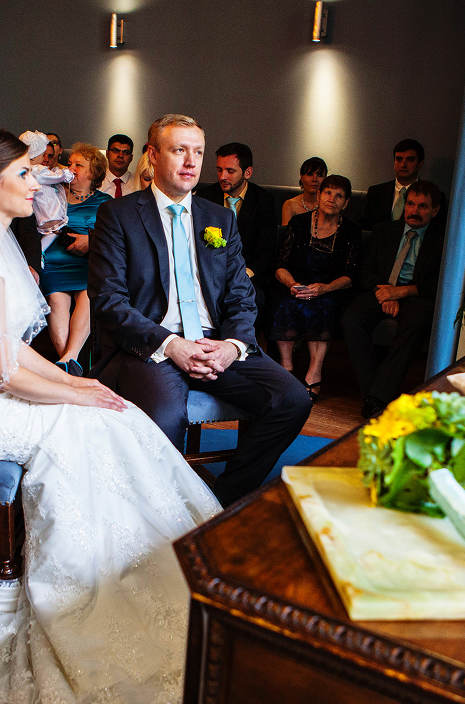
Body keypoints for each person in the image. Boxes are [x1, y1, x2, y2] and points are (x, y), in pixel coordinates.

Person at [0, 124, 221, 704]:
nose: (38, 184)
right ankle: (83, 587)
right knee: (95, 424)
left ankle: (155, 563)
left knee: (114, 413)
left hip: (4, 386)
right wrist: (74, 398)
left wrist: (77, 381)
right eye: (25, 174)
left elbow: (19, 353)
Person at [89, 114, 311, 506]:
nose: (192, 162)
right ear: (153, 156)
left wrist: (234, 346)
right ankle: (163, 513)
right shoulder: (117, 215)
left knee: (292, 399)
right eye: (179, 151)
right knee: (165, 419)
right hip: (152, 347)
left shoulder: (219, 218)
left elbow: (242, 295)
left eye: (198, 152)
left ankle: (221, 500)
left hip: (215, 342)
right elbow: (109, 301)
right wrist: (172, 346)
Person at [342, 180, 445, 418]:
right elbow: (364, 272)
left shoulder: (442, 239)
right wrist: (387, 291)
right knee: (351, 319)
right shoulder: (383, 231)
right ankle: (375, 395)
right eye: (410, 204)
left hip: (415, 295)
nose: (414, 211)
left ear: (435, 210)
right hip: (381, 289)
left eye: (422, 207)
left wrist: (401, 292)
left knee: (416, 323)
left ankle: (376, 398)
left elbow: (440, 282)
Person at [271, 174, 360, 402]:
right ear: (319, 195)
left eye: (339, 196)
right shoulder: (298, 223)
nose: (332, 199)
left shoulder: (351, 231)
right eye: (328, 192)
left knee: (324, 308)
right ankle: (286, 369)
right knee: (284, 303)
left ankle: (314, 371)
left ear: (346, 202)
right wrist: (292, 284)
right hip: (297, 285)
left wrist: (325, 288)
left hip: (329, 290)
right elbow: (280, 265)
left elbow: (350, 276)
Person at [195, 142, 278, 346]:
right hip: (210, 272)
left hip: (250, 272)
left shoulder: (264, 201)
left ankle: (243, 348)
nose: (223, 176)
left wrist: (242, 274)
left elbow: (266, 250)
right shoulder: (205, 197)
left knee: (252, 299)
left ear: (247, 172)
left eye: (230, 171)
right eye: (219, 169)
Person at [39, 142, 111, 374]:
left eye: (79, 165)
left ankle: (68, 361)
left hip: (87, 264)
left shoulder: (105, 202)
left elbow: (114, 240)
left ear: (93, 172)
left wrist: (90, 243)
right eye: (69, 163)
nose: (71, 168)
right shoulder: (54, 194)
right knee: (57, 300)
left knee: (88, 295)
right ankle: (69, 362)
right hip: (55, 261)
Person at [18, 130, 74, 254]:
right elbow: (53, 176)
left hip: (41, 202)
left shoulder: (27, 169)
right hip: (45, 203)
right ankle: (40, 253)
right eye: (42, 154)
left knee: (54, 231)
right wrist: (65, 174)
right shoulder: (37, 170)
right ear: (34, 155)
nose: (45, 158)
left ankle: (40, 253)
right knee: (55, 229)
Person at [361, 139, 424, 231]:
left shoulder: (431, 196)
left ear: (420, 164)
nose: (403, 164)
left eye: (410, 160)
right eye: (399, 159)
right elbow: (362, 229)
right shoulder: (375, 192)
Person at [281, 157, 327, 226]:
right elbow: (285, 233)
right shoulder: (290, 205)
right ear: (301, 177)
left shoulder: (328, 205)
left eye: (319, 175)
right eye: (310, 174)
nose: (314, 179)